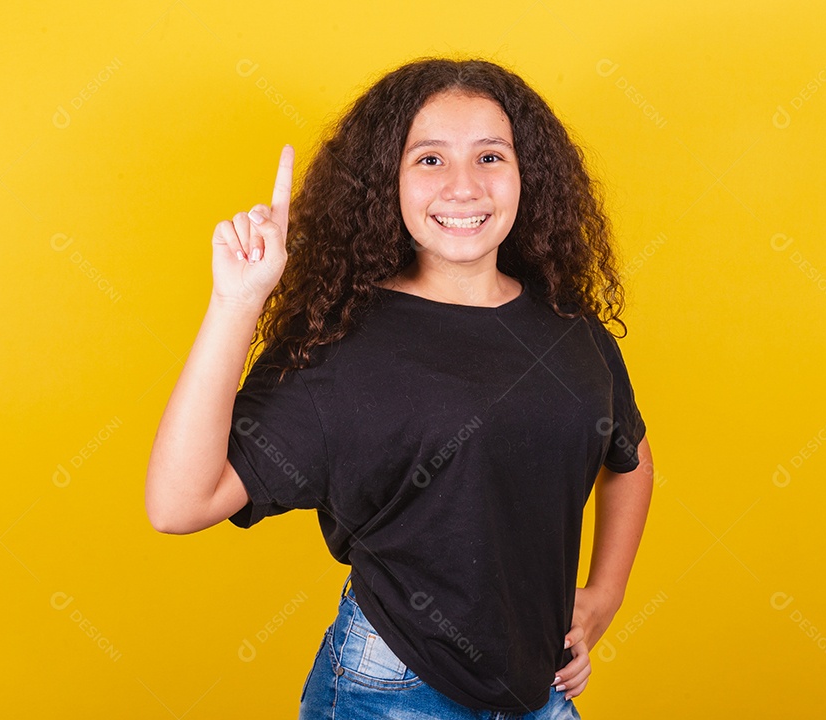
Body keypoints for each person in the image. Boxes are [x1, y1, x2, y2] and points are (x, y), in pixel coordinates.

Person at [145, 57, 653, 719]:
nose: (464, 186)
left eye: (491, 157)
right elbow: (178, 504)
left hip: (537, 688)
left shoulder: (572, 332)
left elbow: (631, 457)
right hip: (392, 689)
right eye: (430, 160)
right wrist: (237, 302)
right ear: (389, 178)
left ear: (529, 174)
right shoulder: (340, 347)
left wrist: (603, 597)